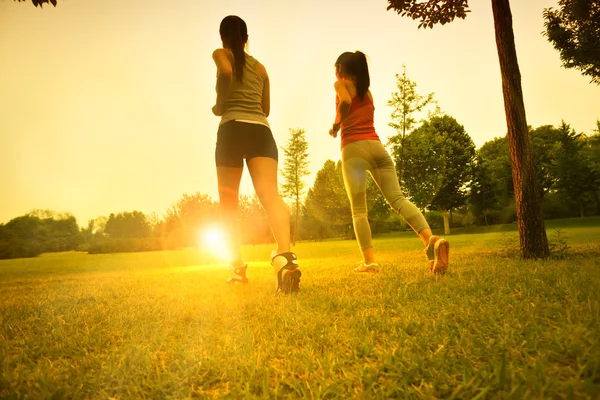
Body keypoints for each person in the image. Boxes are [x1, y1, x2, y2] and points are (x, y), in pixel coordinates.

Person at [329, 51, 449, 274]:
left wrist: (336, 125)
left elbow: (345, 102)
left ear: (341, 69)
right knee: (398, 199)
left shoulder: (340, 84)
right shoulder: (369, 93)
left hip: (354, 149)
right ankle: (430, 241)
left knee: (359, 211)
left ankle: (369, 262)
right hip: (377, 148)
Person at [211, 15, 301, 293]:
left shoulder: (221, 53)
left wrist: (220, 103)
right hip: (261, 131)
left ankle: (237, 266)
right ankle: (285, 258)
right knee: (270, 195)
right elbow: (266, 108)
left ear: (222, 36)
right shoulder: (260, 67)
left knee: (229, 202)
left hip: (232, 128)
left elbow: (226, 73)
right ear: (247, 37)